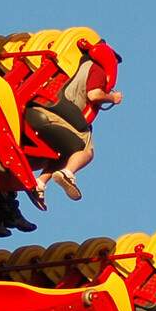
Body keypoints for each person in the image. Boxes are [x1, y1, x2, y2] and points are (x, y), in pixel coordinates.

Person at [29, 46, 120, 206]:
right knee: (86, 147)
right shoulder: (96, 69)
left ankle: (39, 184)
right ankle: (67, 174)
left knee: (64, 152)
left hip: (35, 110)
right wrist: (113, 97)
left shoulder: (70, 66)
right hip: (54, 114)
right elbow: (94, 94)